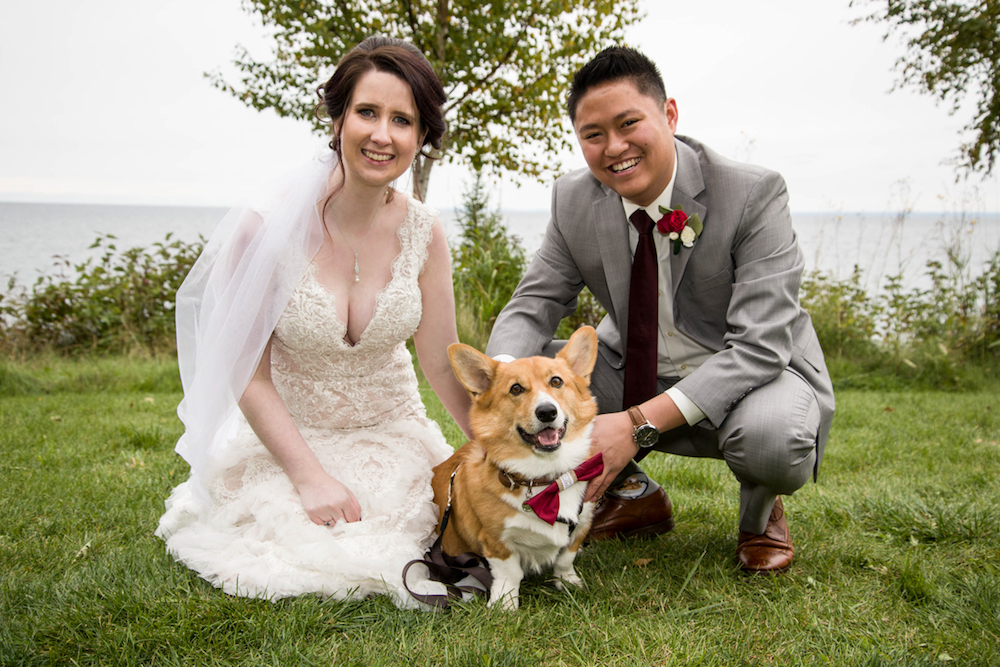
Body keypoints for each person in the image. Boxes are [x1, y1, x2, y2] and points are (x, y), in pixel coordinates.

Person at [486, 47, 835, 573]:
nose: (614, 148)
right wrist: (504, 380)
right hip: (635, 365)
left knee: (773, 440)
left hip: (753, 372)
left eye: (629, 124)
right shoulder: (573, 201)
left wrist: (635, 426)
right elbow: (532, 304)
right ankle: (631, 493)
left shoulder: (752, 192)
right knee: (545, 380)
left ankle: (760, 513)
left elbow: (760, 345)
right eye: (593, 134)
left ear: (669, 115)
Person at [155, 36, 473, 607]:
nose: (383, 135)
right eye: (367, 112)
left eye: (402, 120)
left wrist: (505, 449)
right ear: (337, 120)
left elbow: (441, 362)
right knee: (297, 545)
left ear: (421, 137)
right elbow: (247, 375)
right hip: (293, 440)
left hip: (393, 434)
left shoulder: (426, 232)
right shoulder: (267, 228)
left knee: (423, 536)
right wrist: (309, 478)